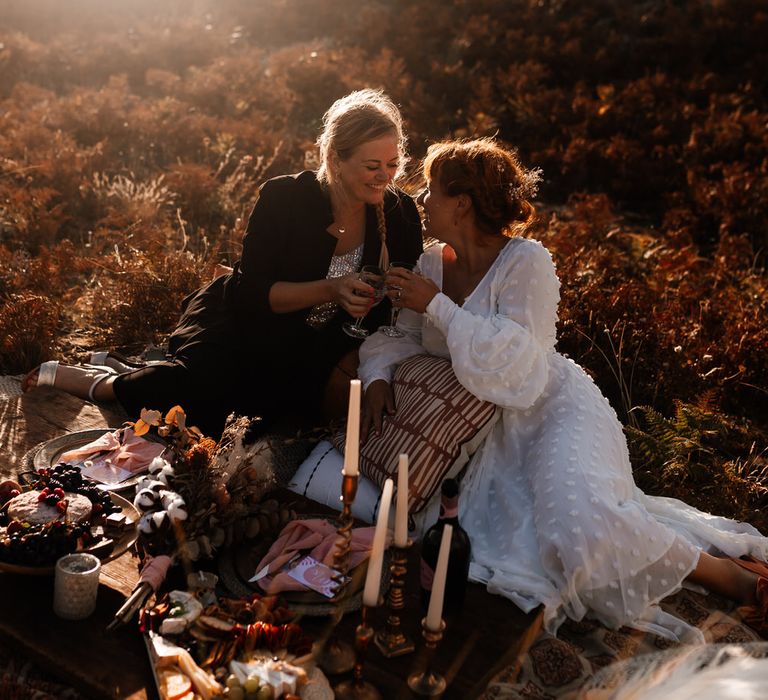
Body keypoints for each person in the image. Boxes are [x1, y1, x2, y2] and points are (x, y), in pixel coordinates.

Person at [358, 137, 768, 642]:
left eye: (431, 191)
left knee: (582, 528)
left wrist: (438, 307)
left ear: (461, 203)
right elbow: (399, 336)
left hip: (553, 409)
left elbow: (519, 364)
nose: (421, 201)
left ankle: (725, 575)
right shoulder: (429, 265)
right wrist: (377, 377)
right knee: (527, 544)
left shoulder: (525, 262)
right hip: (489, 429)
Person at [23, 89, 423, 439]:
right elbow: (251, 295)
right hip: (245, 323)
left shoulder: (400, 213)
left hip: (319, 348)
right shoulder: (284, 198)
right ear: (335, 158)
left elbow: (398, 307)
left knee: (269, 418)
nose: (384, 178)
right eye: (372, 167)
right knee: (197, 399)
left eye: (393, 165)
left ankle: (132, 365)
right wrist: (332, 289)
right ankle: (107, 383)